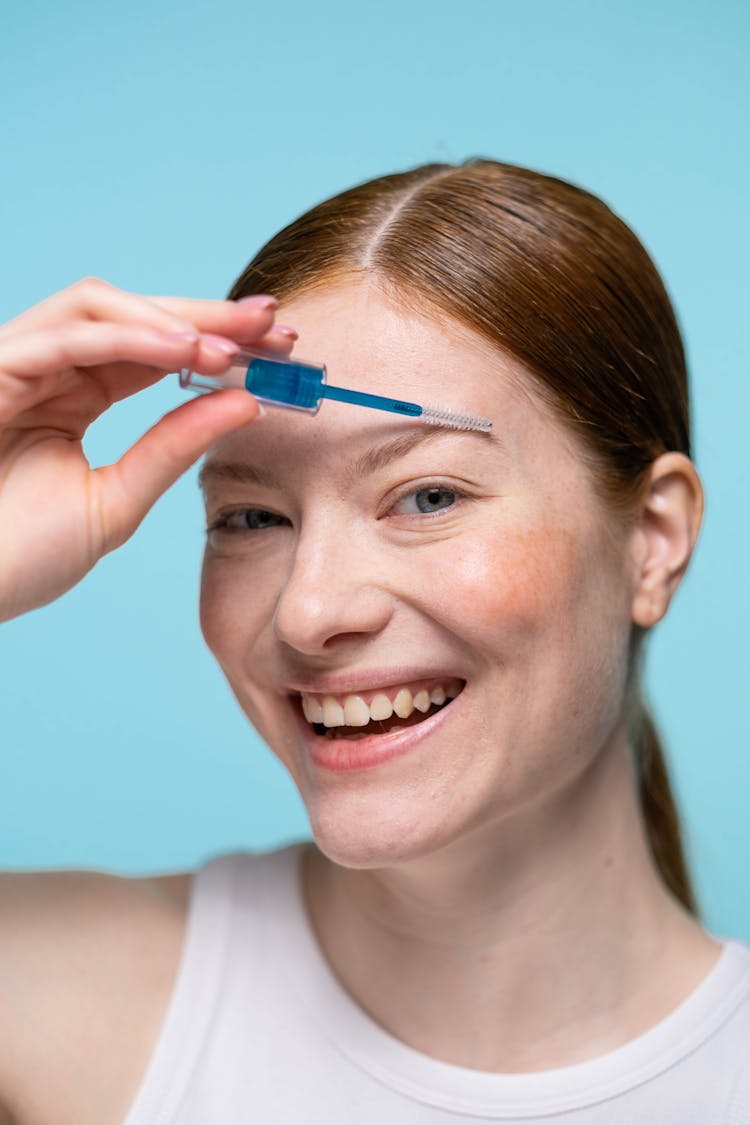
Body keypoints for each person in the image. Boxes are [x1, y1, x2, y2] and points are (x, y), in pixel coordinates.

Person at [0, 159, 748, 1124]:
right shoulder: (45, 1010)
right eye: (252, 518)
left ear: (652, 540)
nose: (308, 613)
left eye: (429, 496)